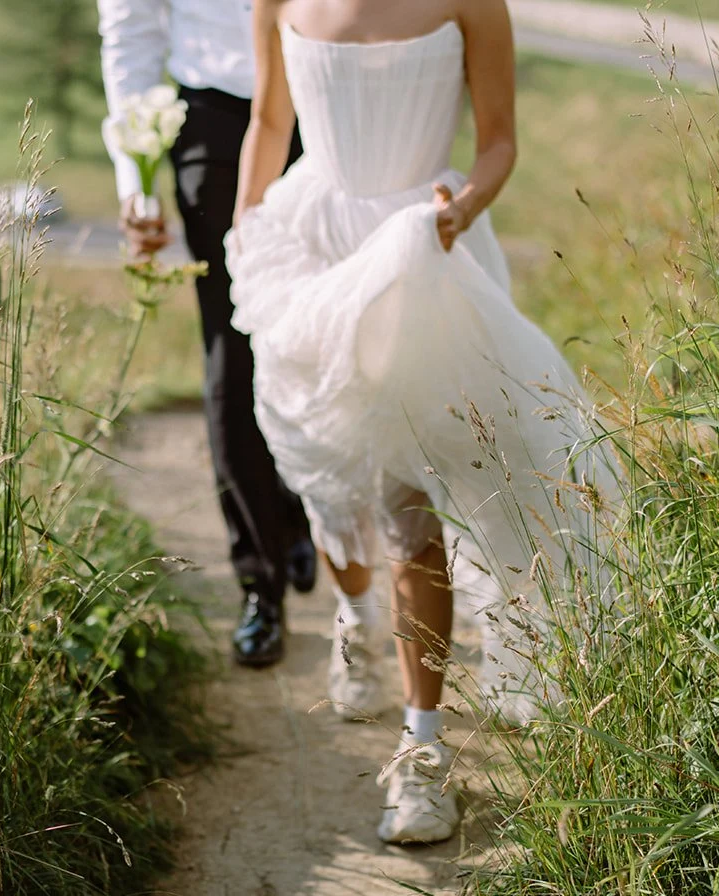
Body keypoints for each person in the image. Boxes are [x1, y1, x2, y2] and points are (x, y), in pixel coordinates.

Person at [227, 0, 621, 843]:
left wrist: (463, 206)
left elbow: (500, 140)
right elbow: (268, 118)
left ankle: (423, 750)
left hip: (421, 256)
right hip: (311, 251)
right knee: (333, 482)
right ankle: (355, 615)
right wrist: (244, 232)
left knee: (408, 507)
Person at [97, 0, 330, 670]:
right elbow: (132, 34)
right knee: (233, 342)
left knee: (320, 332)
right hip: (214, 120)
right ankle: (260, 581)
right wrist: (135, 179)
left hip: (326, 105)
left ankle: (298, 502)